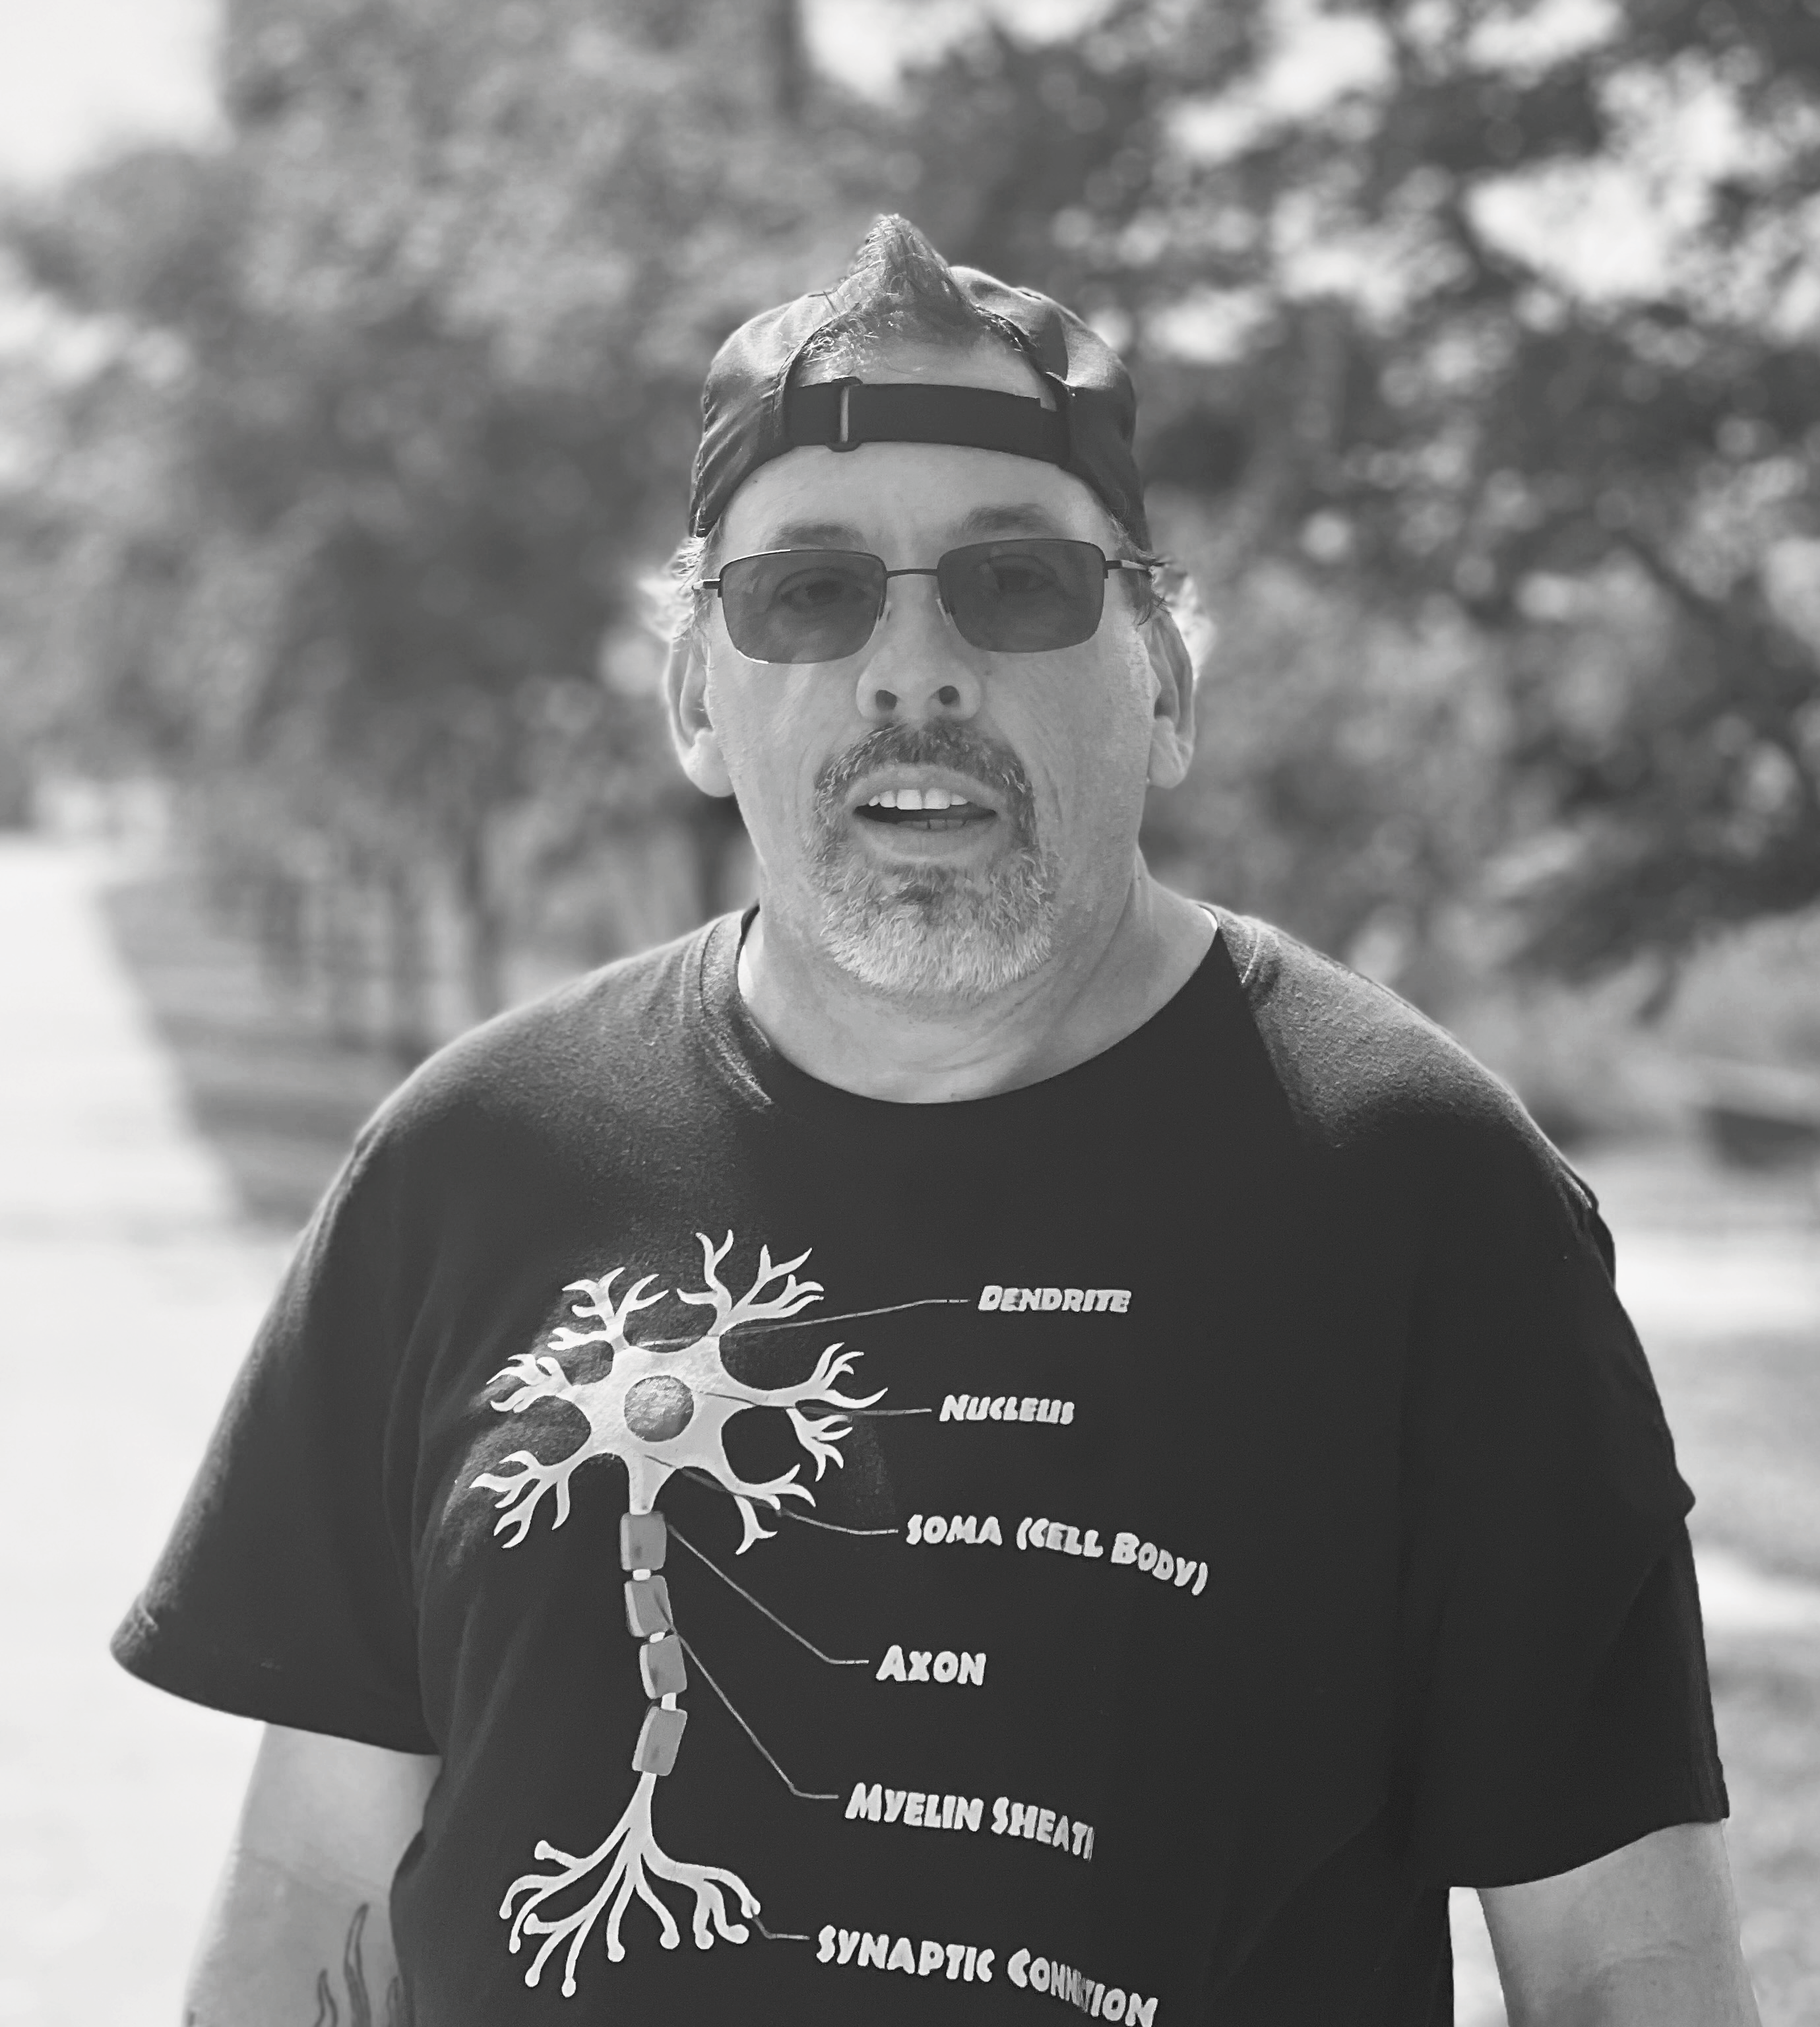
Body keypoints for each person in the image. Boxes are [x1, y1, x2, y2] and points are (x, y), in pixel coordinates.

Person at [117, 215, 1761, 2026]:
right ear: (692, 695)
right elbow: (311, 1885)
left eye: (1017, 586)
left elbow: (1620, 1971)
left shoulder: (1421, 1197)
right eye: (807, 593)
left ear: (1166, 681)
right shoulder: (471, 1162)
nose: (914, 673)